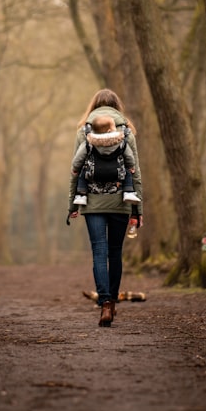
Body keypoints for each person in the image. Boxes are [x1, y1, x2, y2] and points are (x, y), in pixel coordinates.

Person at [67, 89, 143, 327]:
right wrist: (137, 210)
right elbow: (135, 172)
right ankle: (113, 302)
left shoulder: (84, 131)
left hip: (92, 202)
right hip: (121, 201)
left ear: (94, 107)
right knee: (115, 252)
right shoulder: (127, 132)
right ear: (116, 107)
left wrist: (72, 203)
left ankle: (105, 304)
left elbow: (76, 170)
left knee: (99, 252)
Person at [70, 112, 141, 207]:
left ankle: (81, 194)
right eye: (114, 127)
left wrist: (75, 168)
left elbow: (79, 158)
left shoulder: (88, 142)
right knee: (127, 172)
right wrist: (131, 166)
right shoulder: (120, 141)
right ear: (109, 131)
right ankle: (128, 191)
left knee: (83, 172)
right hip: (117, 174)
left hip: (94, 174)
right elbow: (129, 156)